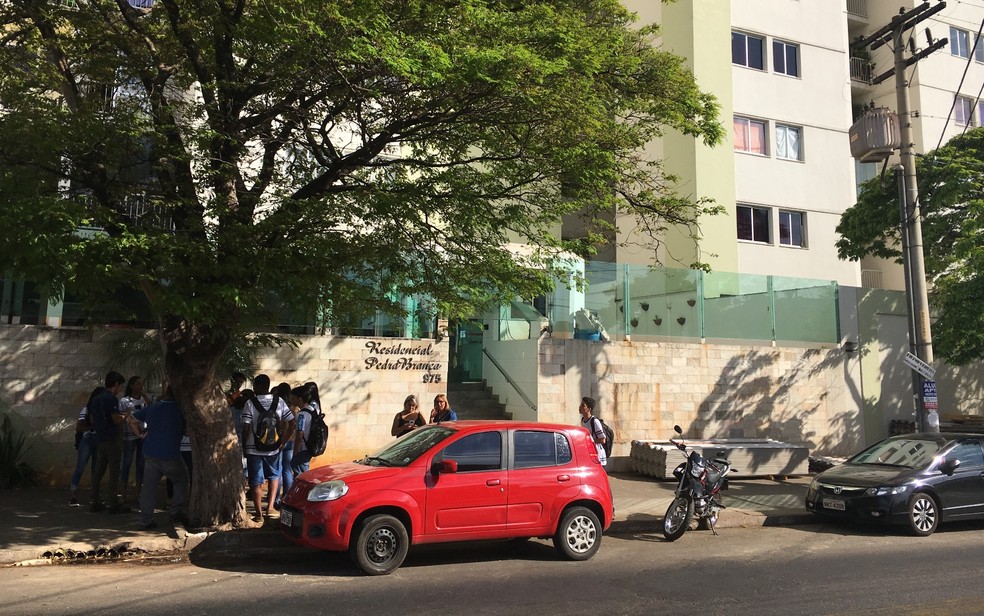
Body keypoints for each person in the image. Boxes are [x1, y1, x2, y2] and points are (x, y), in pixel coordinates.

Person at [129, 386, 189, 530]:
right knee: (182, 480)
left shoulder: (153, 407)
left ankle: (145, 520)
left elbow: (131, 419)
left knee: (148, 488)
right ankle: (176, 511)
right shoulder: (181, 410)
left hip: (150, 453)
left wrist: (140, 434)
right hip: (170, 454)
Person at [242, 374, 294, 522]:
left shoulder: (250, 403)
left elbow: (246, 427)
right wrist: (283, 441)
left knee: (255, 480)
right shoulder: (279, 401)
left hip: (254, 448)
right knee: (274, 477)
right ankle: (270, 508)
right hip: (273, 448)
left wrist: (245, 445)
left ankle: (258, 514)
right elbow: (292, 422)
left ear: (257, 386)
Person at [89, 371, 130, 513]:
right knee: (114, 471)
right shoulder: (111, 398)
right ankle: (112, 502)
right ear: (116, 384)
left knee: (98, 470)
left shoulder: (96, 398)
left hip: (100, 437)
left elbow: (93, 419)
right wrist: (125, 416)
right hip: (112, 438)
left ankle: (95, 499)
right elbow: (115, 419)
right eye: (119, 386)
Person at [67, 386, 104, 507]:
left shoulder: (104, 410)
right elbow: (79, 427)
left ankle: (95, 495)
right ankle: (72, 494)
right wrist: (93, 427)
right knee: (80, 467)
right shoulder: (86, 410)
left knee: (96, 469)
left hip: (99, 440)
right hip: (88, 439)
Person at [119, 375, 149, 505]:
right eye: (138, 384)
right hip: (129, 435)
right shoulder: (124, 401)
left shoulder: (144, 400)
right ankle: (122, 494)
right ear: (131, 385)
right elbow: (121, 418)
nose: (140, 386)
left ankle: (138, 494)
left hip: (143, 434)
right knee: (126, 462)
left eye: (142, 384)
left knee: (141, 464)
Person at [290, 383, 318, 477]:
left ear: (300, 399)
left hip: (303, 449)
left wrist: (295, 452)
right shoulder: (312, 410)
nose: (292, 400)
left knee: (302, 476)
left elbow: (299, 435)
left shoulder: (301, 415)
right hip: (310, 446)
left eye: (293, 398)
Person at [275, 381, 295, 510]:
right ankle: (287, 496)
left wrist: (282, 440)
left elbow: (284, 423)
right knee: (287, 470)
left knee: (277, 470)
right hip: (291, 441)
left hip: (280, 440)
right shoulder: (293, 405)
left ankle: (276, 499)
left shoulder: (278, 404)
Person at [578, 396, 607, 468]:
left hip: (597, 457)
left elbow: (602, 440)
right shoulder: (583, 420)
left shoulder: (594, 422)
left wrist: (588, 441)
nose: (580, 407)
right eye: (581, 404)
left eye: (583, 405)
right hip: (588, 455)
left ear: (589, 409)